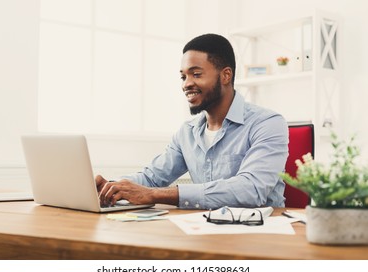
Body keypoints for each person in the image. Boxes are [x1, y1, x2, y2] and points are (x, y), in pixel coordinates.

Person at [96, 33, 289, 210]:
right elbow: (152, 178)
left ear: (225, 75)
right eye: (183, 76)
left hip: (261, 234)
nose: (186, 84)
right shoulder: (187, 132)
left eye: (196, 74)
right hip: (205, 228)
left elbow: (250, 189)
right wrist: (112, 187)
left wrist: (153, 195)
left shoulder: (268, 123)